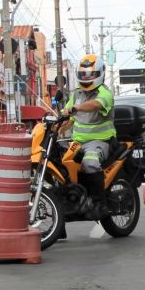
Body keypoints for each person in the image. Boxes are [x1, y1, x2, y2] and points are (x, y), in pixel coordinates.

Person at [61, 53, 115, 213]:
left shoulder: (104, 93)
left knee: (89, 163)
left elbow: (95, 105)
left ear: (99, 74)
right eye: (83, 74)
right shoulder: (77, 94)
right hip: (77, 143)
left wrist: (76, 108)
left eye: (90, 73)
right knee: (60, 166)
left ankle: (100, 204)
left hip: (100, 141)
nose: (86, 77)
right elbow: (69, 117)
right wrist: (57, 128)